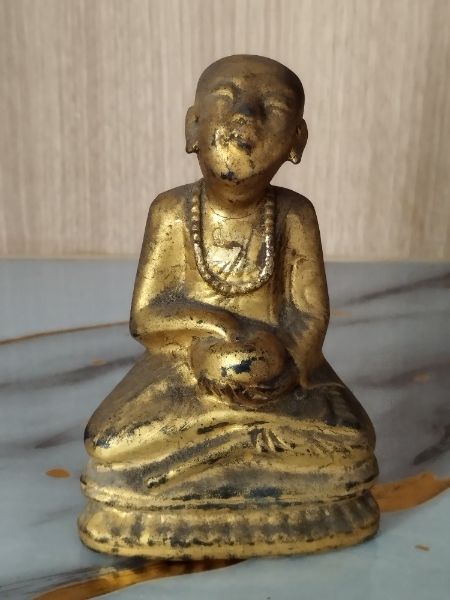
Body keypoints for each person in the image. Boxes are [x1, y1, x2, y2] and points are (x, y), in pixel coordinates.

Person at [79, 55, 378, 559]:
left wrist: (287, 368)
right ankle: (237, 444)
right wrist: (216, 325)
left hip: (279, 376)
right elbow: (147, 317)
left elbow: (309, 313)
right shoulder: (172, 211)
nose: (245, 115)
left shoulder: (294, 214)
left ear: (297, 139)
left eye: (272, 106)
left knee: (352, 443)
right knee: (107, 444)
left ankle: (215, 453)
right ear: (192, 126)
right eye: (225, 98)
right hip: (181, 368)